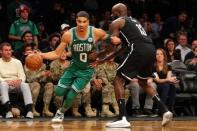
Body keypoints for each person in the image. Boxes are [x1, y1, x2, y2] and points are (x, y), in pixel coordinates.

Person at [96, 3, 173, 128]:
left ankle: (122, 117)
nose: (111, 15)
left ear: (117, 13)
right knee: (143, 83)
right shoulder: (135, 22)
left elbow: (113, 45)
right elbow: (124, 47)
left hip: (138, 49)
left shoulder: (116, 22)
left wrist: (100, 54)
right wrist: (105, 59)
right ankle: (165, 110)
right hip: (150, 49)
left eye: (112, 12)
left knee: (118, 79)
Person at [38, 11, 120, 122]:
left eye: (84, 22)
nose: (81, 24)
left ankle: (60, 112)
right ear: (76, 21)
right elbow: (56, 54)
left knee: (72, 94)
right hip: (73, 68)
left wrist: (100, 56)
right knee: (58, 92)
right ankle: (71, 87)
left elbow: (115, 43)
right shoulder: (68, 35)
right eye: (79, 21)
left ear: (88, 22)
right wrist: (41, 55)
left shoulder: (96, 32)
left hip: (86, 70)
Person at [0, 42, 33, 119]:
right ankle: (8, 111)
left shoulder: (17, 62)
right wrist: (6, 81)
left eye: (10, 50)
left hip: (16, 84)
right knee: (3, 85)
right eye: (6, 50)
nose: (9, 52)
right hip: (4, 84)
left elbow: (22, 76)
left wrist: (19, 80)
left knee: (25, 85)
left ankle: (29, 111)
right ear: (1, 51)